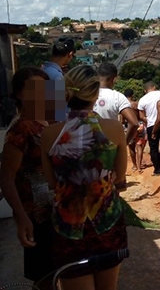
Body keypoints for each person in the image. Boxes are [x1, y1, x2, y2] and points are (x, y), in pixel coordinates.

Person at [40, 65, 128, 290]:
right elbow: (120, 177)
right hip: (107, 221)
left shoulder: (49, 134)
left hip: (68, 226)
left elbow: (51, 182)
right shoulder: (115, 129)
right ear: (96, 94)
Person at [0, 67, 55, 290]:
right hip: (36, 215)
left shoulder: (45, 122)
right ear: (20, 94)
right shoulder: (21, 128)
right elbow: (6, 179)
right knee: (45, 278)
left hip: (53, 209)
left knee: (56, 272)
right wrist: (21, 218)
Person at [93, 63, 139, 154]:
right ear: (114, 79)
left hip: (87, 145)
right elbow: (134, 123)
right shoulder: (117, 96)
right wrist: (124, 143)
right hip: (110, 146)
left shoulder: (87, 94)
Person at [137, 82, 160, 176]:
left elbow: (141, 116)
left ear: (145, 90)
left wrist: (148, 120)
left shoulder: (142, 100)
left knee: (153, 148)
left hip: (151, 125)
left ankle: (157, 169)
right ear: (154, 87)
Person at [123, 88, 148, 172]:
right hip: (139, 125)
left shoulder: (124, 105)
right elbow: (142, 115)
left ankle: (134, 165)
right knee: (139, 146)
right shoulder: (137, 104)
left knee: (131, 147)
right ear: (132, 95)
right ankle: (139, 166)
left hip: (129, 126)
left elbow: (122, 120)